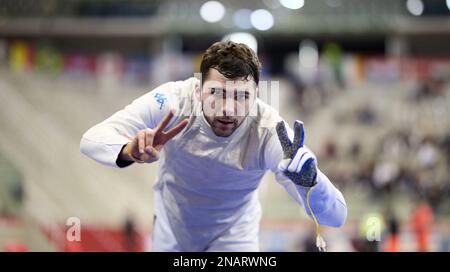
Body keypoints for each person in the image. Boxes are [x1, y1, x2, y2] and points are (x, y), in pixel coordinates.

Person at [80, 41, 347, 251]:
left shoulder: (269, 130)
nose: (228, 109)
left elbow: (335, 217)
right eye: (216, 94)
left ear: (256, 95)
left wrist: (312, 184)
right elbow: (92, 139)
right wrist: (129, 150)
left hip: (234, 236)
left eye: (242, 96)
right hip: (171, 230)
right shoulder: (174, 101)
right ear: (197, 89)